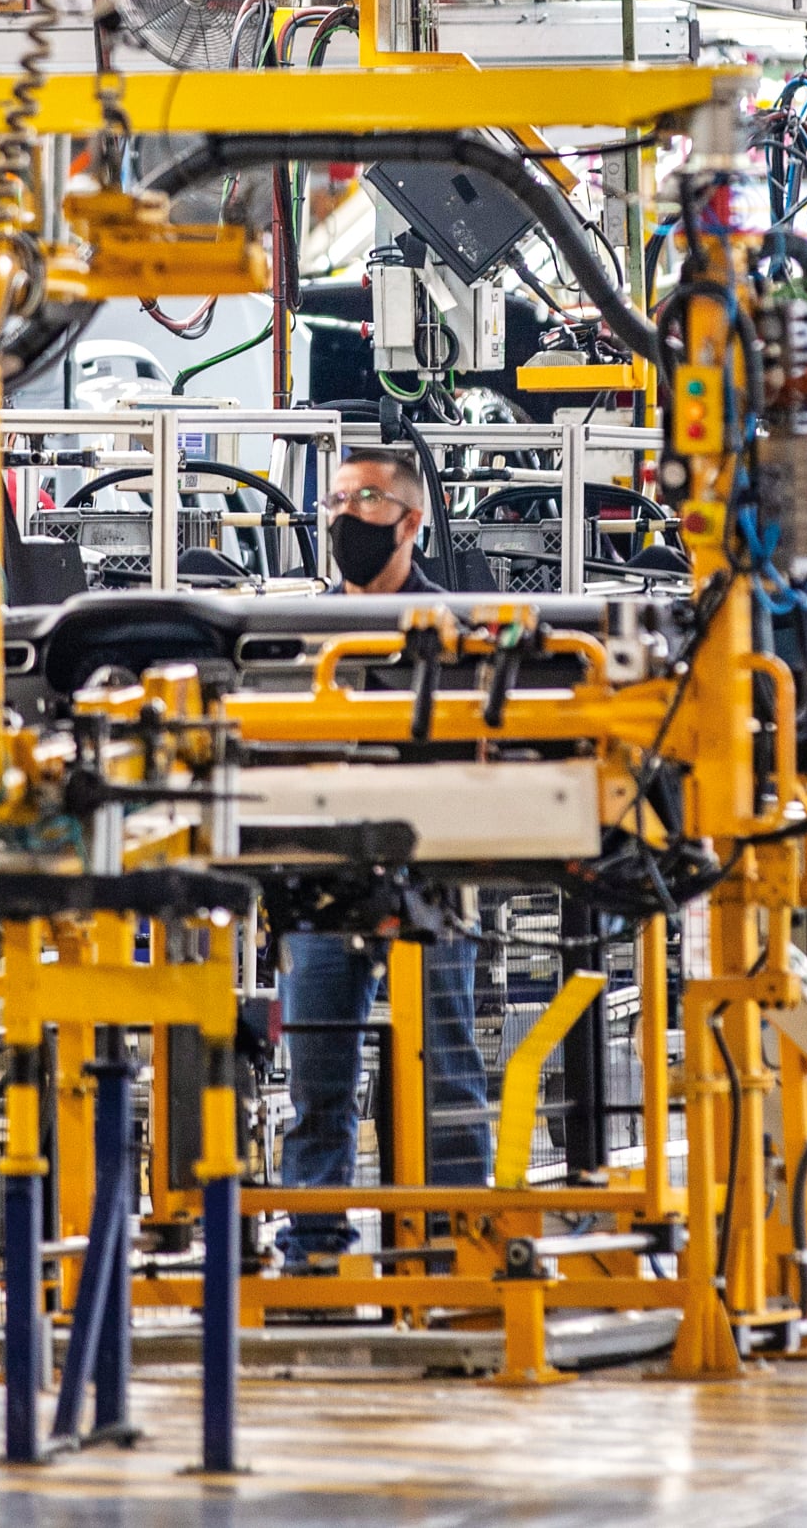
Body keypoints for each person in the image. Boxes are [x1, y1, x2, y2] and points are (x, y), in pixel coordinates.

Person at [272, 442, 487, 1261]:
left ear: (411, 518)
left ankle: (457, 1244)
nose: (344, 517)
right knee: (317, 1082)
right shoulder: (291, 631)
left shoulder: (458, 630)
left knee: (447, 1066)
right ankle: (312, 1251)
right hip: (321, 879)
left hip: (430, 876)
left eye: (364, 500)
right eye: (334, 501)